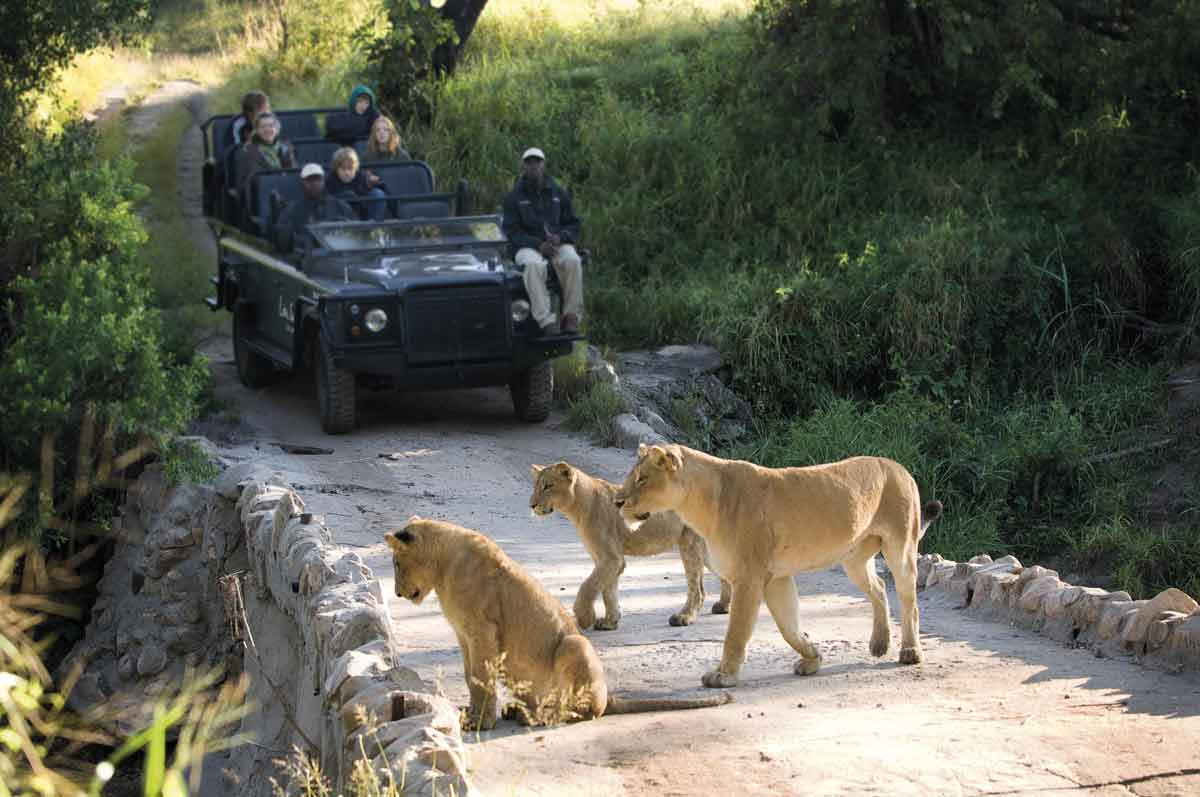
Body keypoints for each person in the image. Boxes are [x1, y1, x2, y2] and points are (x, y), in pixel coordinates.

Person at [501, 147, 583, 335]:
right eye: (529, 163)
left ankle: (571, 317)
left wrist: (560, 237)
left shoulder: (558, 192)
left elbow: (574, 224)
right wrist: (538, 245)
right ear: (524, 166)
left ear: (543, 165)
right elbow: (512, 233)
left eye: (537, 162)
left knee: (573, 261)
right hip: (527, 246)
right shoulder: (513, 197)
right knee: (533, 266)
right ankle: (546, 321)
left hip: (556, 243)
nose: (533, 166)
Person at [274, 163, 354, 253]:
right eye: (309, 180)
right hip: (308, 258)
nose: (314, 183)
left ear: (323, 181)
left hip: (338, 255)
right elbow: (284, 242)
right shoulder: (291, 210)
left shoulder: (341, 206)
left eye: (318, 179)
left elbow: (355, 235)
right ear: (302, 183)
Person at [237, 112, 295, 191]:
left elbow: (293, 172)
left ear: (277, 129)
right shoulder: (248, 151)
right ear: (257, 130)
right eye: (263, 127)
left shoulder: (286, 147)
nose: (267, 129)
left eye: (271, 125)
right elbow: (254, 181)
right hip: (262, 194)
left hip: (286, 190)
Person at [326, 147, 388, 221]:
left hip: (362, 213)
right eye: (343, 168)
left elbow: (382, 186)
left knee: (378, 193)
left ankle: (374, 227)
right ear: (336, 169)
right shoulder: (329, 180)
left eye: (350, 168)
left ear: (356, 168)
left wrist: (376, 182)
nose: (347, 173)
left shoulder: (363, 177)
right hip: (342, 216)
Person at [228, 91, 270, 155]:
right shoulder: (239, 124)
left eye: (267, 108)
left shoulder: (269, 120)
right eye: (263, 110)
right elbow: (236, 150)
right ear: (249, 112)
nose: (267, 112)